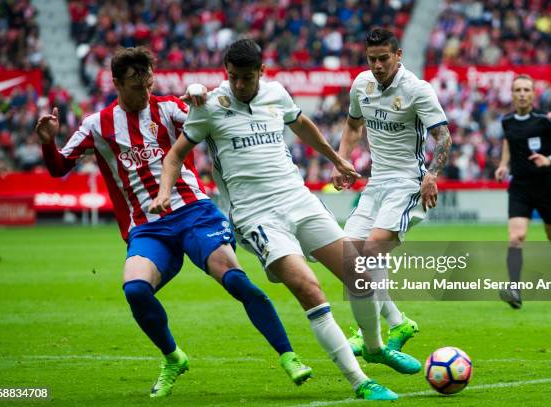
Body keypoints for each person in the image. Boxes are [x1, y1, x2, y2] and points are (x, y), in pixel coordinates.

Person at [152, 39, 422, 402]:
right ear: (225, 74)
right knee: (310, 289)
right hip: (257, 215)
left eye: (247, 78)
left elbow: (302, 125)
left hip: (298, 199)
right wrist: (164, 192)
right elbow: (174, 157)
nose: (239, 86)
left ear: (262, 73)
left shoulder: (276, 93)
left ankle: (374, 348)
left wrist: (335, 159)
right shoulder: (210, 106)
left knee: (360, 272)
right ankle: (361, 382)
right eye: (232, 78)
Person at [35, 46, 311, 398]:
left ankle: (289, 356)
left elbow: (214, 116)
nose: (144, 92)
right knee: (135, 290)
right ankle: (173, 357)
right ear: (117, 84)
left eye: (148, 83)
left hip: (195, 212)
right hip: (148, 227)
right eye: (136, 86)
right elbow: (59, 168)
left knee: (236, 280)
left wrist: (200, 95)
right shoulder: (97, 125)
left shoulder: (169, 109)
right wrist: (48, 143)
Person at [331, 28, 452, 356]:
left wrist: (432, 174)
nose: (378, 65)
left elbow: (443, 137)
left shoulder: (417, 90)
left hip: (408, 184)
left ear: (398, 55)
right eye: (372, 59)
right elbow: (354, 126)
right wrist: (342, 162)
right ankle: (397, 322)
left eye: (384, 58)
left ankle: (365, 332)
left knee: (371, 251)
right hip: (376, 184)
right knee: (350, 258)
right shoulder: (361, 84)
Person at [495, 74, 551, 309]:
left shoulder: (547, 119)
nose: (522, 93)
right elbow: (508, 142)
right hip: (520, 187)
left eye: (526, 90)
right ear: (512, 94)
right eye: (518, 90)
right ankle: (514, 289)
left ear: (533, 94)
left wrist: (550, 159)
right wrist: (503, 164)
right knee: (516, 237)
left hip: (546, 187)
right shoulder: (507, 121)